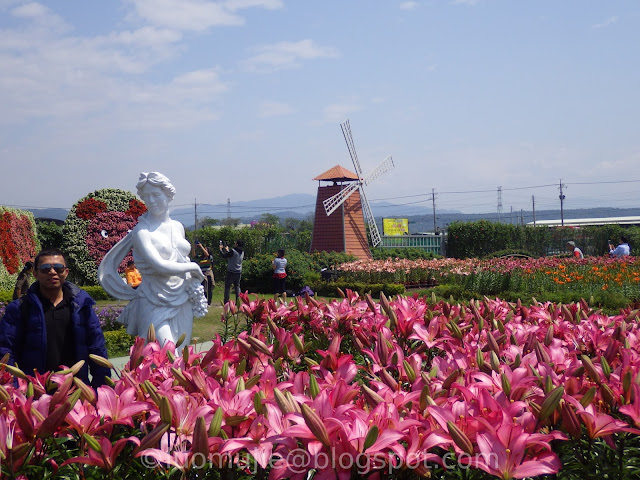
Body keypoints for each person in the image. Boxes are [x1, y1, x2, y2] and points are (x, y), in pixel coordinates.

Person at [98, 172, 207, 350]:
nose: (152, 200)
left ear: (168, 195)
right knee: (167, 353)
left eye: (156, 195)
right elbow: (159, 265)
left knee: (182, 353)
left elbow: (180, 257)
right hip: (153, 298)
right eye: (147, 196)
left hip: (182, 297)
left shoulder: (177, 227)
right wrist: (193, 266)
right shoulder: (142, 231)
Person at [0, 248, 111, 387]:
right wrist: (14, 388)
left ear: (66, 272)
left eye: (58, 268)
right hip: (34, 392)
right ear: (35, 273)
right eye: (45, 268)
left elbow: (97, 348)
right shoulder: (19, 308)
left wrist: (101, 388)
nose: (52, 272)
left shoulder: (81, 306)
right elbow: (6, 351)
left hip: (75, 391)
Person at [219, 240, 244, 305]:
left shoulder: (233, 251)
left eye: (235, 243)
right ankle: (238, 301)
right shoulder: (242, 252)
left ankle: (226, 301)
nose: (234, 244)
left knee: (227, 287)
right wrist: (228, 250)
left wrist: (221, 249)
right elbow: (232, 256)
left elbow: (224, 256)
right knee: (237, 287)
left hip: (231, 271)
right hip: (238, 272)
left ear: (237, 244)